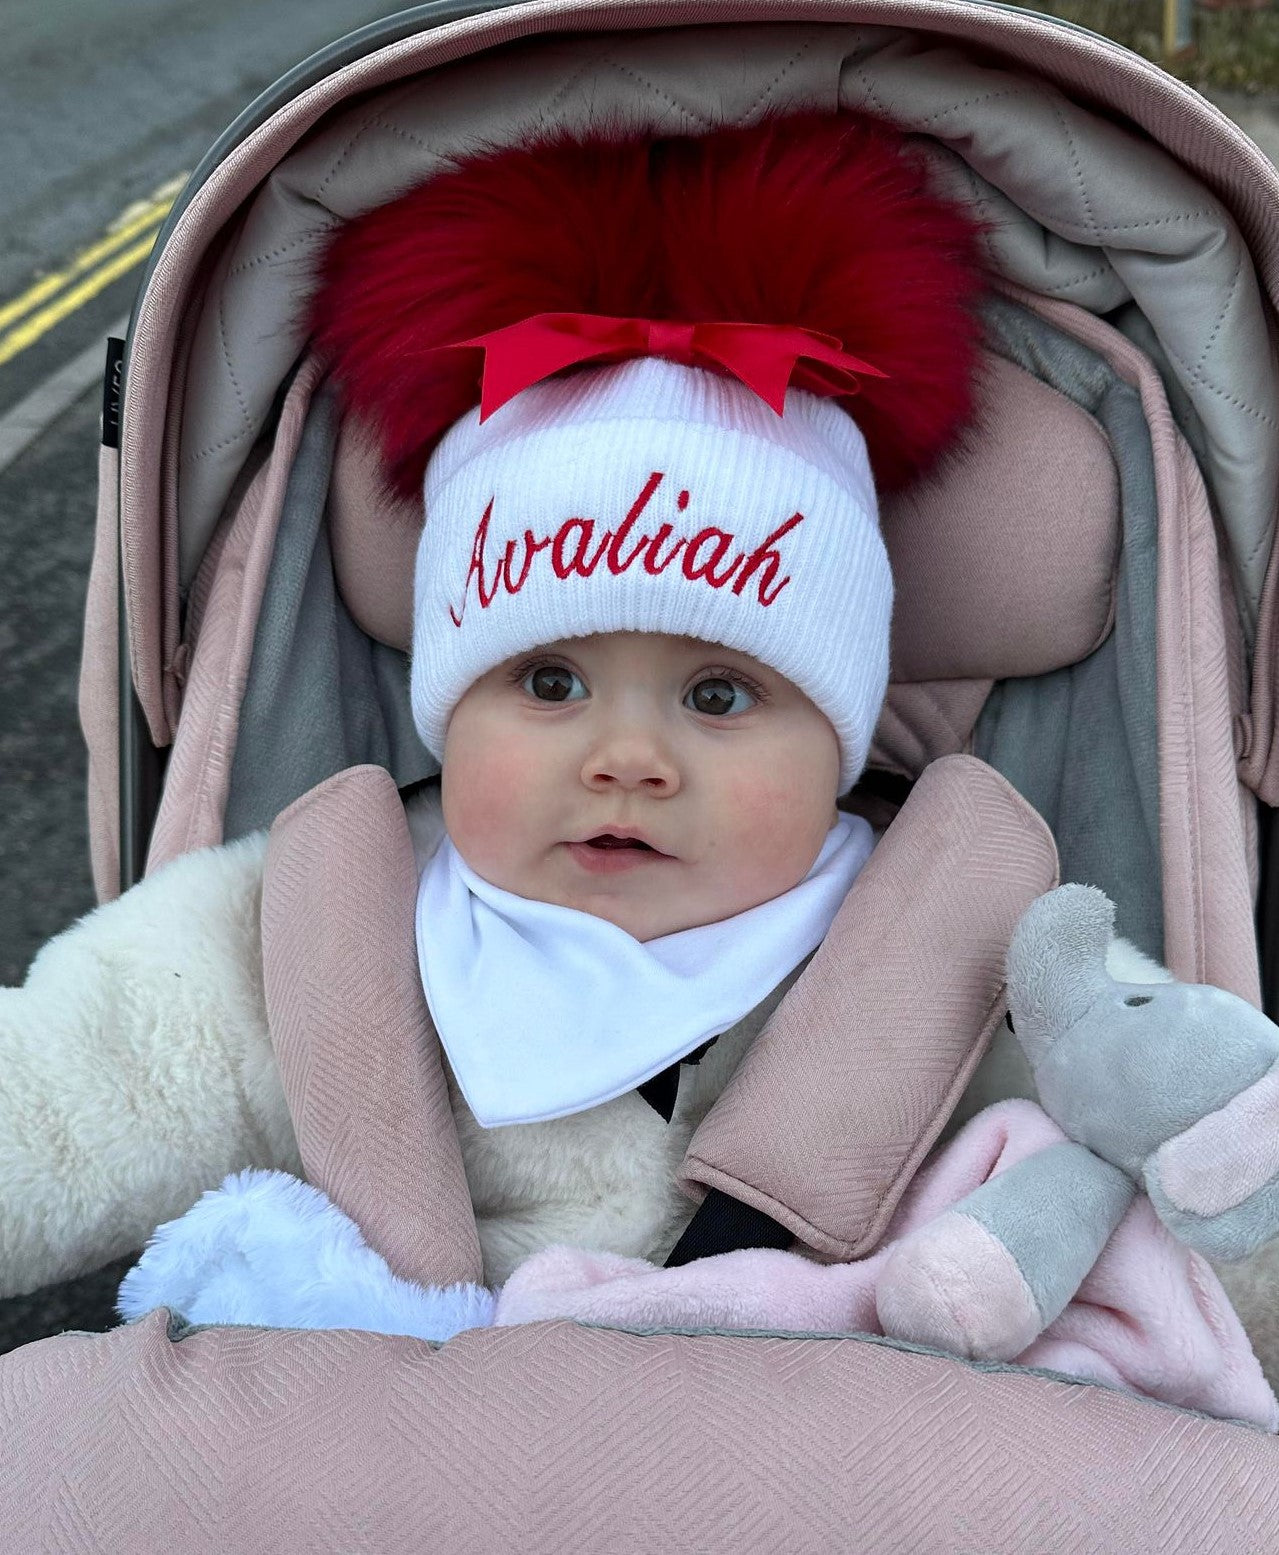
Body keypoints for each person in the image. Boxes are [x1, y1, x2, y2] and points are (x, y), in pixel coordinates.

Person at [2, 112, 1274, 1425]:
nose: (626, 760)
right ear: (450, 703)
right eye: (548, 683)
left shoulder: (966, 952)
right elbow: (71, 1085)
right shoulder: (317, 930)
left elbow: (1214, 1158)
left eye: (720, 695)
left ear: (835, 738)